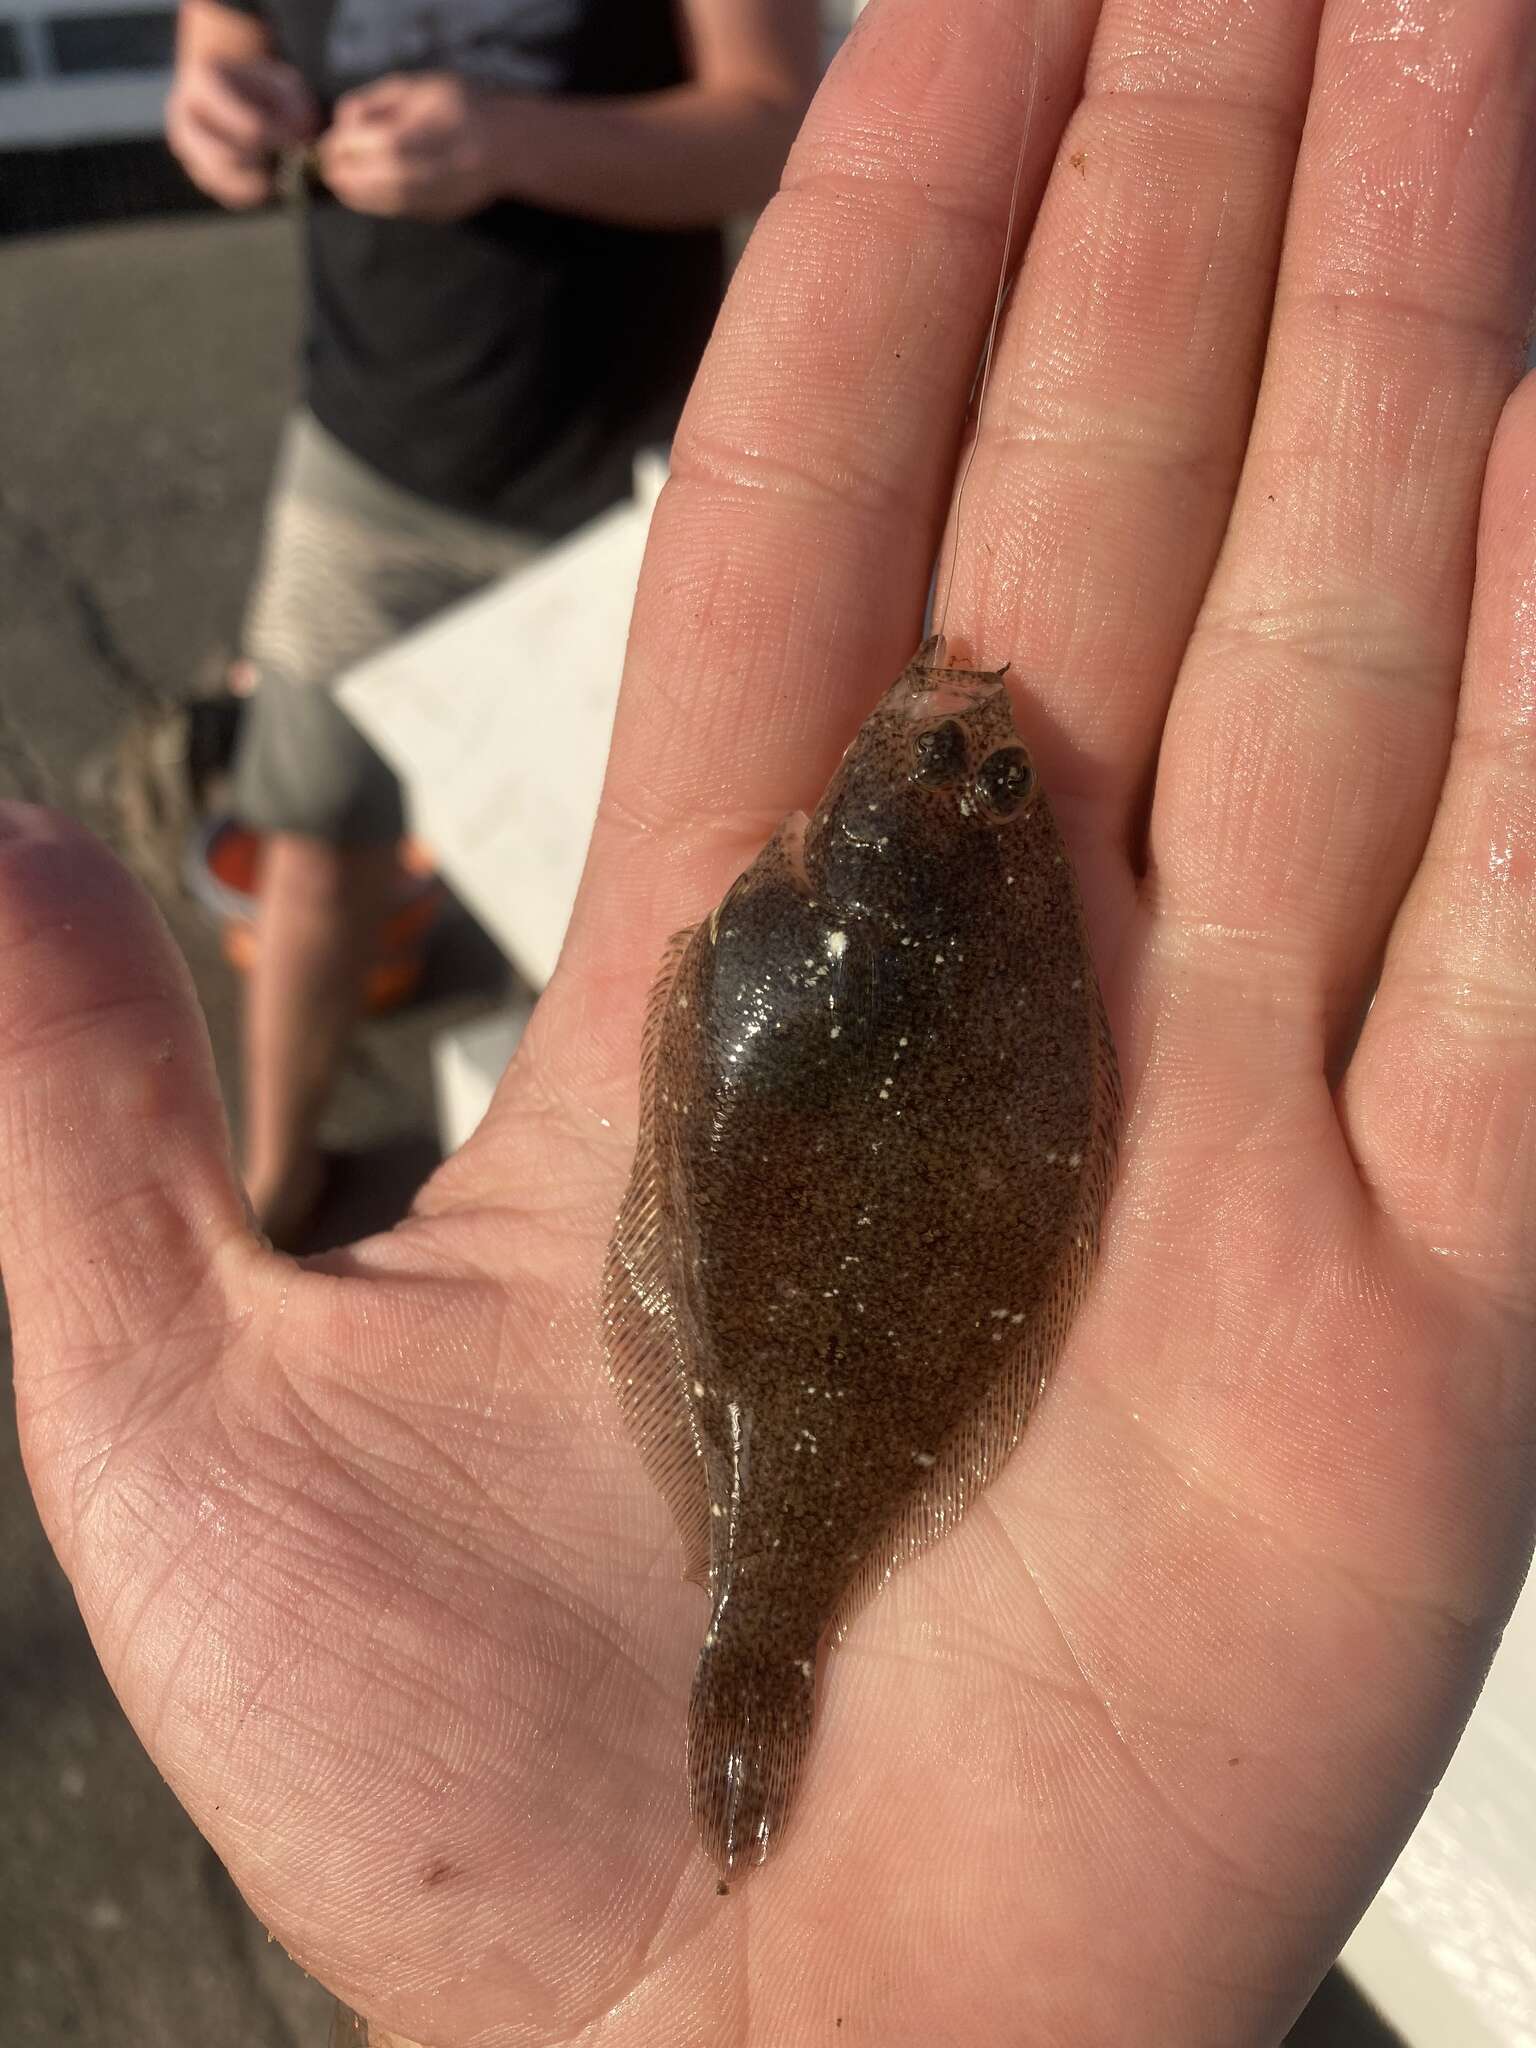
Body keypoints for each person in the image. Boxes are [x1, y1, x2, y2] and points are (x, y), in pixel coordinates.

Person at [6, 0, 1536, 2044]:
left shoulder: (933, 900)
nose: (977, 746)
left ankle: (759, 1616)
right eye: (984, 774)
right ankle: (749, 1610)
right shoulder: (977, 904)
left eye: (976, 778)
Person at [164, 0, 821, 1244]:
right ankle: (275, 1183)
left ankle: (584, 1231)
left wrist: (512, 140)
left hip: (631, 465)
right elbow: (222, 35)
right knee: (310, 833)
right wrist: (218, 105)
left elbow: (775, 125)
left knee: (631, 878)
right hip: (366, 458)